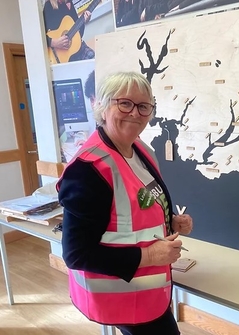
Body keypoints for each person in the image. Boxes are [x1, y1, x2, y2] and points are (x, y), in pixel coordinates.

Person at [57, 71, 193, 335]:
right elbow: (76, 254)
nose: (135, 113)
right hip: (122, 296)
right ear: (103, 107)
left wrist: (170, 220)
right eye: (125, 103)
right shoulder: (88, 169)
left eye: (144, 106)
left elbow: (132, 209)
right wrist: (151, 255)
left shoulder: (141, 150)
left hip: (149, 290)